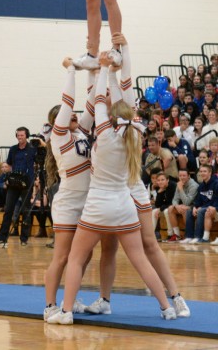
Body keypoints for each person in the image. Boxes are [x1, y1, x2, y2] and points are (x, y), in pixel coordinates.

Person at [47, 53, 177, 325]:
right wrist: (109, 72)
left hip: (96, 206)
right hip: (123, 206)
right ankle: (166, 306)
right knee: (139, 259)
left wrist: (100, 69)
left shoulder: (103, 134)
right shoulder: (136, 135)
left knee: (75, 258)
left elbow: (96, 104)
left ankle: (66, 311)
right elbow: (114, 108)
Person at [43, 58, 96, 321]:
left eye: (74, 114)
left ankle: (69, 300)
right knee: (62, 257)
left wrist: (95, 72)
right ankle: (50, 306)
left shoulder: (82, 133)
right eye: (67, 115)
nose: (73, 114)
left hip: (88, 202)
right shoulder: (59, 136)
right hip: (67, 203)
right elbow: (68, 102)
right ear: (57, 122)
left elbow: (91, 104)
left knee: (84, 256)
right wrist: (71, 70)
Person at [0, 127, 36, 246]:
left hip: (27, 183)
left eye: (22, 135)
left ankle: (24, 239)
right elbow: (9, 164)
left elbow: (37, 163)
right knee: (8, 210)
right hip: (14, 182)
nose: (20, 137)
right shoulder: (13, 149)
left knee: (26, 210)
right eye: (18, 135)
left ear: (27, 136)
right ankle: (2, 237)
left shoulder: (32, 149)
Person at [180, 165, 218, 244]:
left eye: (205, 171)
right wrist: (195, 207)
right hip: (205, 207)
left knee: (201, 211)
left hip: (213, 206)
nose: (202, 173)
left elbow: (216, 199)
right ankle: (189, 237)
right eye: (201, 171)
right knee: (189, 211)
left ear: (210, 172)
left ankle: (198, 237)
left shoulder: (216, 183)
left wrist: (201, 207)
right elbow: (198, 200)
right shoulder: (201, 185)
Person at [166, 169, 199, 241]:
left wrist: (180, 189)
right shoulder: (180, 183)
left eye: (184, 175)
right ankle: (177, 234)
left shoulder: (194, 186)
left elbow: (187, 202)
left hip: (194, 206)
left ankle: (189, 234)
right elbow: (174, 200)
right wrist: (177, 206)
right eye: (180, 175)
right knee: (171, 208)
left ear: (188, 176)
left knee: (184, 209)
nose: (182, 177)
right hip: (184, 205)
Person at [151, 173, 177, 239]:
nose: (160, 182)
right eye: (158, 180)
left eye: (162, 180)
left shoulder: (173, 186)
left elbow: (171, 202)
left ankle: (170, 234)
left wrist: (160, 209)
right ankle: (151, 235)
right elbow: (157, 205)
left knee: (166, 211)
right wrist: (159, 192)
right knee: (154, 211)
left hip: (177, 205)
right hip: (169, 206)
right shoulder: (161, 188)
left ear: (167, 180)